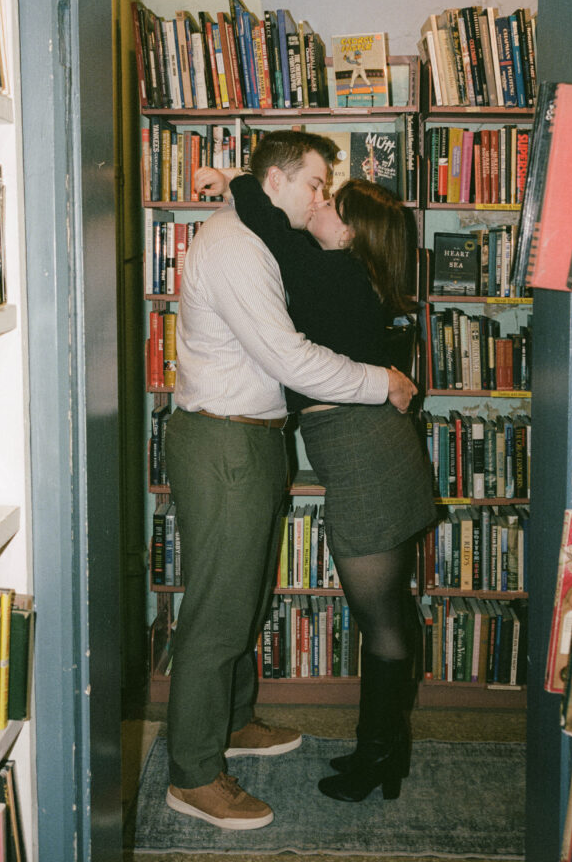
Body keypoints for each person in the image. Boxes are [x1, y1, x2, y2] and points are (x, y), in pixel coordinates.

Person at [164, 130, 417, 832]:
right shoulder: (238, 247)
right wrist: (381, 381)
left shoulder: (263, 231)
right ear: (276, 180)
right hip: (225, 438)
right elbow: (289, 356)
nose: (319, 196)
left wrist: (230, 178)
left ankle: (233, 721)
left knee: (243, 596)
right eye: (314, 183)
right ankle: (192, 773)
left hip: (252, 436)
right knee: (218, 609)